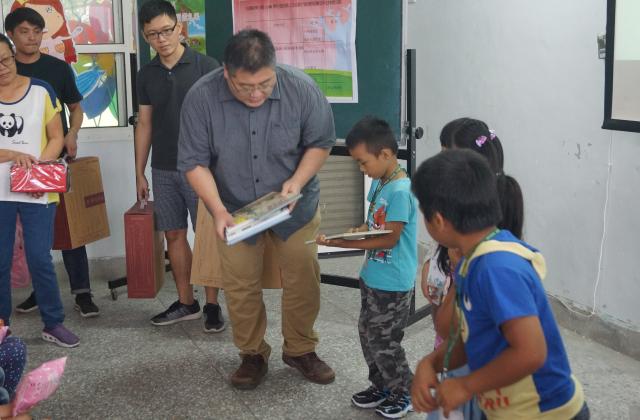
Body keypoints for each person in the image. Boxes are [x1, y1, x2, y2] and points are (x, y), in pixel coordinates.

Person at [178, 29, 336, 390]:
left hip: (294, 204)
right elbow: (193, 162)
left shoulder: (302, 89)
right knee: (240, 283)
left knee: (303, 276)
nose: (256, 94)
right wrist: (217, 210)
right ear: (226, 73)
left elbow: (321, 142)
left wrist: (297, 181)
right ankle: (252, 354)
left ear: (274, 69)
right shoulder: (201, 97)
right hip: (235, 208)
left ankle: (300, 349)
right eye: (245, 87)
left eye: (265, 84)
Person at [410, 149, 589, 420]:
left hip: (545, 413)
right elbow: (471, 338)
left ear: (438, 220)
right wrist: (430, 363)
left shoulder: (497, 268)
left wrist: (465, 385)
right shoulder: (472, 260)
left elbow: (531, 352)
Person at [314, 117, 417, 418]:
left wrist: (340, 244)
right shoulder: (382, 182)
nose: (361, 169)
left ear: (385, 154)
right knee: (368, 334)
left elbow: (389, 238)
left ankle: (405, 392)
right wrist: (354, 231)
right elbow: (372, 224)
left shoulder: (401, 190)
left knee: (385, 341)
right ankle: (382, 385)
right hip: (373, 276)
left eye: (363, 162)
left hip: (393, 282)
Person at [5, 7, 100, 318]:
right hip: (11, 167)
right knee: (27, 238)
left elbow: (76, 108)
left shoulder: (57, 69)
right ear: (10, 35)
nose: (32, 38)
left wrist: (71, 135)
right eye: (24, 31)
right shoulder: (5, 70)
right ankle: (39, 292)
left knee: (69, 226)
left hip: (52, 161)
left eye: (37, 31)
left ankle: (82, 292)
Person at [135, 0, 224, 331]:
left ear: (179, 27)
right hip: (163, 166)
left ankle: (212, 305)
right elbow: (145, 124)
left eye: (166, 31)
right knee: (173, 232)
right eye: (152, 34)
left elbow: (222, 120)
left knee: (208, 237)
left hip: (201, 167)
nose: (161, 39)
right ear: (145, 36)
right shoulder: (146, 74)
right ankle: (187, 301)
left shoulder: (207, 66)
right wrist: (139, 172)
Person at [0, 33, 79, 348]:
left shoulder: (41, 90)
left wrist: (37, 174)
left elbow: (56, 136)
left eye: (5, 60)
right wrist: (12, 154)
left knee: (39, 258)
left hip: (37, 190)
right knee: (0, 261)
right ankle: (2, 327)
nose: (2, 67)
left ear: (13, 56)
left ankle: (53, 322)